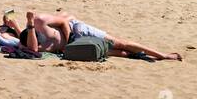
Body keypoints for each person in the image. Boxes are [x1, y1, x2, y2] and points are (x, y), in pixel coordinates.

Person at [18, 12, 181, 61]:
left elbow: (63, 23)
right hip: (74, 47)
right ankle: (139, 56)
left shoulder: (40, 21)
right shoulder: (32, 45)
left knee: (119, 43)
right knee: (117, 53)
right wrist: (25, 26)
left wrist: (67, 41)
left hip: (77, 32)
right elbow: (31, 48)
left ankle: (163, 55)